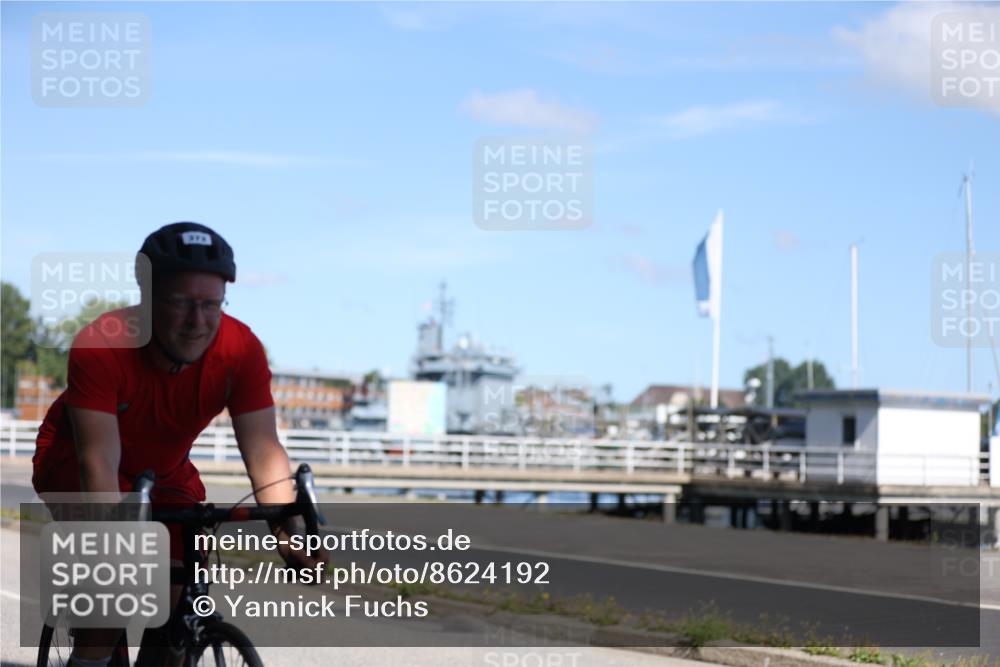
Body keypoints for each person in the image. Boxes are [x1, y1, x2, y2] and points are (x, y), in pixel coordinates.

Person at [32, 222, 325, 667]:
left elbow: (264, 453)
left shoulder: (240, 350)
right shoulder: (102, 345)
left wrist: (289, 535)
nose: (197, 322)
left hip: (165, 472)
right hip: (76, 460)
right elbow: (98, 460)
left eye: (211, 305)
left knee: (179, 599)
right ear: (147, 297)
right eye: (180, 303)